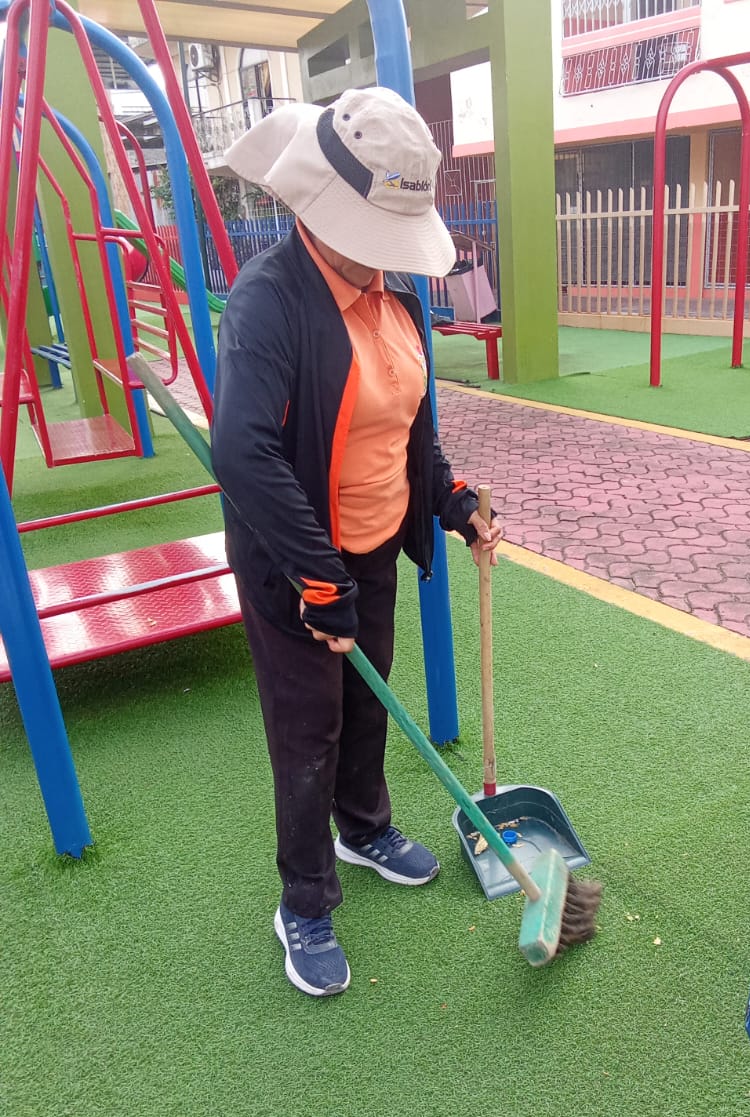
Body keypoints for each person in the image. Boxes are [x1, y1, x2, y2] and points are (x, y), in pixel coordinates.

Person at [212, 88, 503, 998]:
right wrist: (315, 576)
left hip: (373, 545)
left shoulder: (395, 298)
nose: (386, 256)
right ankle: (303, 902)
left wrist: (451, 498)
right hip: (296, 564)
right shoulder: (269, 301)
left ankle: (364, 828)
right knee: (309, 730)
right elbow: (243, 452)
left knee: (369, 702)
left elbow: (409, 426)